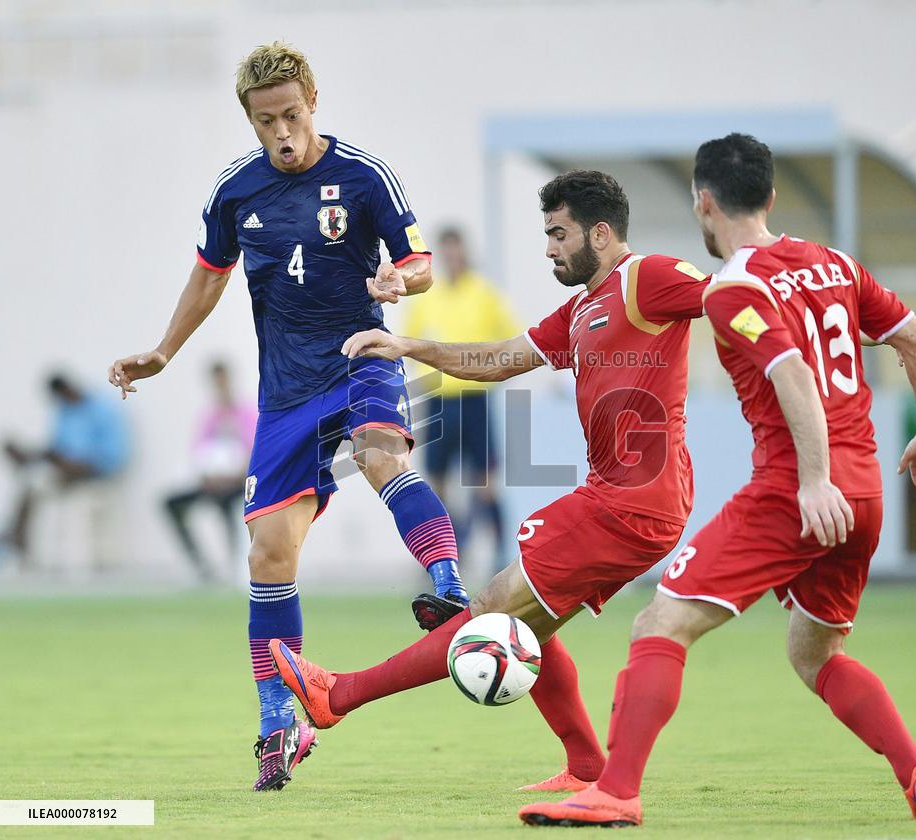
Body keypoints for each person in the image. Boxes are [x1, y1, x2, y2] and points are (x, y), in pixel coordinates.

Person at [519, 134, 916, 828]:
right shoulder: (833, 265)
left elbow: (789, 374)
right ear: (772, 196)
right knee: (815, 655)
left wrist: (813, 480)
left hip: (798, 492)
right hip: (867, 492)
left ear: (703, 201)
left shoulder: (732, 288)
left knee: (661, 621)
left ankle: (617, 792)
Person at [264, 170, 711, 793]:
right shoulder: (583, 308)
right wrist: (407, 346)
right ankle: (586, 765)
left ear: (601, 233)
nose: (549, 248)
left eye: (558, 234)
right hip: (619, 499)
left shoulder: (648, 276)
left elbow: (732, 297)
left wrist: (797, 345)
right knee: (527, 623)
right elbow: (500, 358)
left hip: (634, 502)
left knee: (493, 610)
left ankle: (339, 694)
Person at [106, 42, 470, 792]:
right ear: (250, 119)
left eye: (293, 115)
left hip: (363, 354)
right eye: (267, 120)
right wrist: (164, 353)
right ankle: (280, 722)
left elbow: (422, 261)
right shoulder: (235, 192)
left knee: (378, 449)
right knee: (269, 554)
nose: (283, 131)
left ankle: (448, 587)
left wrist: (396, 278)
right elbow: (208, 278)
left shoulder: (363, 175)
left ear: (313, 103)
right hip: (285, 394)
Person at [402, 227, 519, 572]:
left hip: (475, 399)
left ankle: (502, 556)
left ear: (465, 253)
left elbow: (512, 339)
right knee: (436, 486)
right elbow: (409, 343)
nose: (453, 258)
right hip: (439, 401)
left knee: (485, 485)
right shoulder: (429, 297)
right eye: (447, 252)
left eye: (457, 251)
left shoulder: (484, 294)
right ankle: (445, 556)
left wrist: (490, 368)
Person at [0, 372, 130, 568]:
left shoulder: (103, 409)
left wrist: (77, 463)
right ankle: (17, 536)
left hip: (97, 471)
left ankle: (16, 535)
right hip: (64, 469)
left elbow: (114, 455)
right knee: (33, 479)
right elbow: (58, 448)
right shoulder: (64, 411)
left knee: (38, 481)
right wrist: (38, 455)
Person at [162, 362, 257, 581]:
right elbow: (198, 453)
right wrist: (207, 477)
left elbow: (254, 451)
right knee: (171, 504)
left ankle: (237, 564)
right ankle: (199, 564)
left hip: (239, 482)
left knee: (229, 505)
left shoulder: (246, 412)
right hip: (212, 482)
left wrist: (233, 477)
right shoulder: (209, 415)